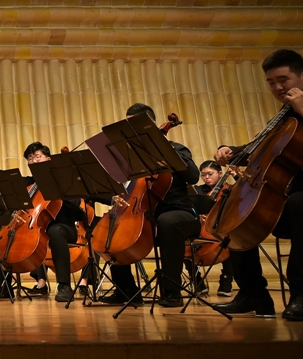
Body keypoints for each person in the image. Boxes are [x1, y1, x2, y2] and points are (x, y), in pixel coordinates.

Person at [213, 49, 303, 322]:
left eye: (283, 80)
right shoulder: (283, 116)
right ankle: (254, 294)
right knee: (235, 211)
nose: (277, 88)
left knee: (302, 203)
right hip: (288, 197)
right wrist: (232, 151)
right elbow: (264, 150)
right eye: (271, 82)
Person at [99, 103, 201, 307]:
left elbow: (193, 176)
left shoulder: (176, 148)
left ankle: (171, 290)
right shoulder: (130, 157)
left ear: (150, 124)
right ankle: (126, 289)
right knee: (111, 227)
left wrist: (165, 148)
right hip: (144, 214)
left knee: (167, 222)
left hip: (178, 212)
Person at [21, 142, 90, 302]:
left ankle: (64, 286)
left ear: (48, 159)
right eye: (30, 158)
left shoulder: (63, 178)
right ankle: (8, 285)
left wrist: (58, 192)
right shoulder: (30, 183)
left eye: (37, 157)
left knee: (55, 231)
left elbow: (75, 206)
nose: (34, 161)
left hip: (65, 226)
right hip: (40, 227)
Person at [195, 159, 233, 297]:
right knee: (185, 246)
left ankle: (226, 281)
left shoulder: (230, 190)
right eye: (203, 175)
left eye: (210, 174)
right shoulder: (197, 191)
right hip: (201, 228)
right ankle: (197, 280)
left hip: (221, 227)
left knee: (229, 242)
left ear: (220, 173)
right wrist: (197, 215)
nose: (206, 177)